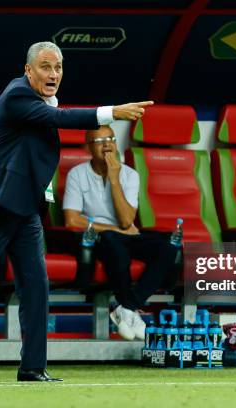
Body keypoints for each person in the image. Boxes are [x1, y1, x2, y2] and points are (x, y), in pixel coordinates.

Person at [0, 41, 153, 383]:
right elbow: (61, 118)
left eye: (57, 67)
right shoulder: (18, 96)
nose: (53, 73)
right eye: (45, 66)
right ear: (28, 71)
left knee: (36, 286)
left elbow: (32, 153)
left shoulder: (42, 101)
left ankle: (32, 367)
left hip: (24, 209)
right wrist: (112, 112)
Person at [63, 125, 178, 341]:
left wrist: (114, 178)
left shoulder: (130, 175)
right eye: (99, 141)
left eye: (111, 139)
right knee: (113, 243)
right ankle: (129, 309)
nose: (107, 145)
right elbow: (72, 220)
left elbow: (126, 220)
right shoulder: (77, 174)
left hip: (125, 235)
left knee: (167, 247)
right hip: (96, 238)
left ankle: (127, 307)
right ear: (88, 147)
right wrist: (113, 229)